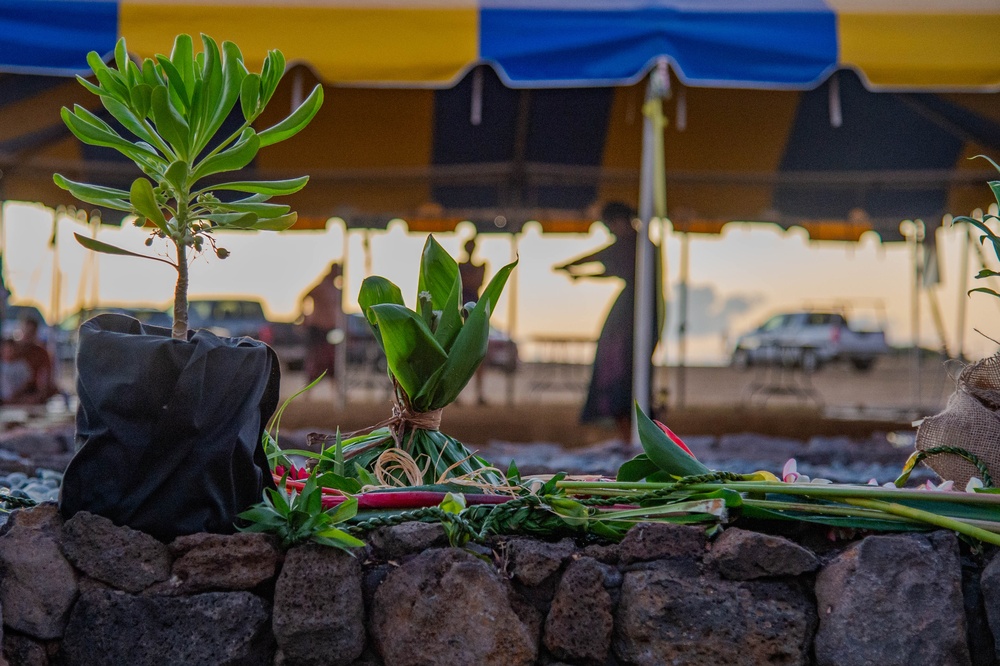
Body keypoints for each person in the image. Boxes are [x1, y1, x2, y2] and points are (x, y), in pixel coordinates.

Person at [554, 202, 661, 445]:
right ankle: (629, 434)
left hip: (635, 315)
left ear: (620, 221)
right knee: (622, 371)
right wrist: (580, 272)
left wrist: (576, 268)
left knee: (622, 370)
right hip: (635, 311)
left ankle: (634, 432)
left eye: (610, 225)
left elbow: (604, 256)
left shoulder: (637, 246)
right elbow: (608, 263)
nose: (610, 230)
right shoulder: (638, 246)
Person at [300, 263, 343, 385]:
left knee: (332, 359)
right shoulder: (321, 287)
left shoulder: (336, 289)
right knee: (317, 359)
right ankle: (307, 393)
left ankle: (335, 392)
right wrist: (304, 317)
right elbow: (304, 297)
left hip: (331, 329)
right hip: (318, 328)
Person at [459, 237, 488, 404]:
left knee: (478, 354)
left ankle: (479, 394)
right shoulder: (466, 267)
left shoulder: (470, 267)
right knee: (462, 353)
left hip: (472, 311)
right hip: (465, 311)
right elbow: (471, 282)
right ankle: (460, 394)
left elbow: (474, 282)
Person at [9, 317, 57, 405]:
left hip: (32, 396)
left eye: (31, 332)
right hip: (10, 398)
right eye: (25, 332)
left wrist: (37, 396)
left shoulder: (41, 353)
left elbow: (45, 378)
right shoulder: (10, 351)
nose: (27, 336)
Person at [0, 337, 31, 404]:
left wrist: (16, 395)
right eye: (7, 349)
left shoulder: (21, 365)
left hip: (19, 399)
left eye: (11, 349)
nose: (9, 352)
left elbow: (26, 383)